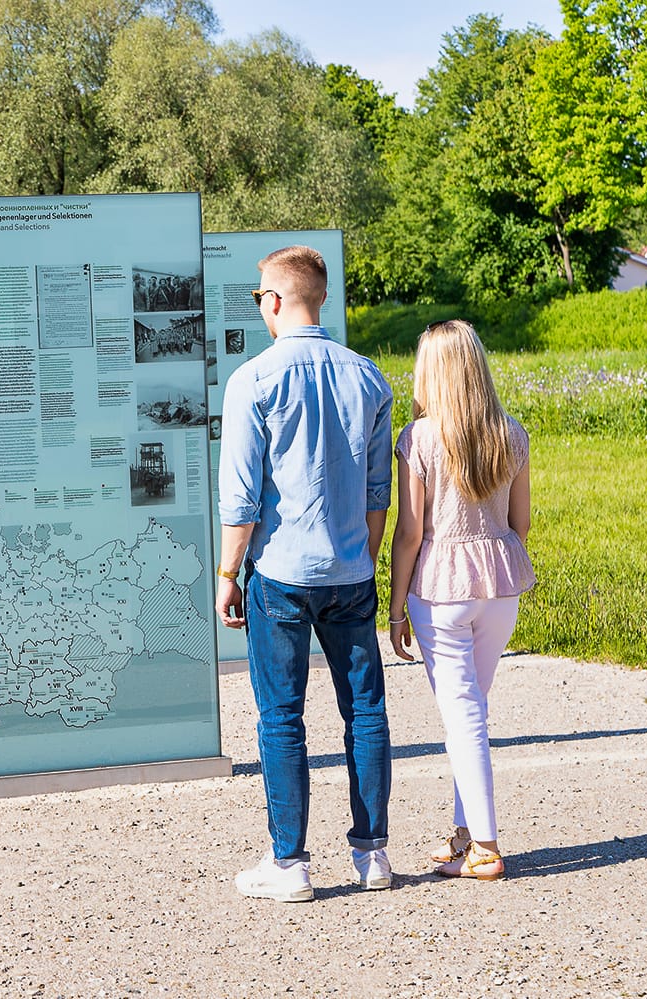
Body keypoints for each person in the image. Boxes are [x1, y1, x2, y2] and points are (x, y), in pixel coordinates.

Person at [216, 245, 395, 902]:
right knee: (366, 710)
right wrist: (363, 557)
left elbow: (241, 496)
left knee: (281, 716)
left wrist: (227, 572)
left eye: (259, 295)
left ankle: (289, 862)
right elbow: (378, 491)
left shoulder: (253, 380)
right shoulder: (369, 378)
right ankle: (372, 853)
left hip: (281, 571)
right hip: (350, 568)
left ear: (274, 300)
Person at [388, 320, 534, 881]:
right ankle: (464, 836)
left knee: (463, 714)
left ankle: (486, 848)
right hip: (500, 584)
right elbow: (521, 522)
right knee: (471, 710)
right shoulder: (511, 433)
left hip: (440, 587)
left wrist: (395, 607)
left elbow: (410, 532)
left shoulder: (419, 438)